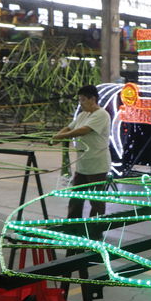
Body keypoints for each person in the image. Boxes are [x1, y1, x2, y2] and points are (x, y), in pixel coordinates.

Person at [52, 85, 110, 219]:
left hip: (97, 166)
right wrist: (55, 137)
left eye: (83, 100)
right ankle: (72, 226)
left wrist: (60, 137)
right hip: (82, 165)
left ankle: (94, 229)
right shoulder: (83, 115)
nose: (81, 103)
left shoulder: (101, 114)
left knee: (96, 202)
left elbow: (83, 130)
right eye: (80, 100)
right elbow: (69, 128)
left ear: (93, 99)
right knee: (76, 198)